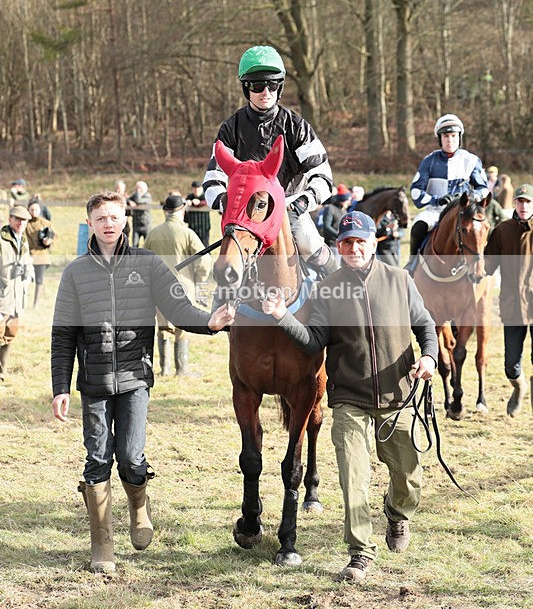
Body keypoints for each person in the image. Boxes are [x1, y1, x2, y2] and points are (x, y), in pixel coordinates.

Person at [51, 191, 234, 573]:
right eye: (101, 217)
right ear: (90, 222)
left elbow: (178, 308)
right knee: (97, 458)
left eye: (114, 217)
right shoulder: (75, 273)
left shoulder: (148, 264)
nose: (108, 223)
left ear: (125, 220)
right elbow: (63, 335)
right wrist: (60, 387)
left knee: (131, 458)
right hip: (95, 382)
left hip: (135, 379)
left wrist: (209, 322)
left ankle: (138, 507)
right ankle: (102, 544)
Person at [261, 211, 438, 583]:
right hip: (349, 399)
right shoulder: (328, 289)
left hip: (398, 395)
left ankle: (397, 513)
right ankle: (360, 553)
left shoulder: (399, 280)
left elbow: (424, 325)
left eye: (360, 241)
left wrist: (428, 357)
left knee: (409, 479)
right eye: (346, 243)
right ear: (338, 247)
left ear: (373, 243)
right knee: (353, 478)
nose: (354, 248)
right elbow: (314, 341)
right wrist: (282, 316)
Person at [202, 45, 337, 276]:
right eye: (257, 85)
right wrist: (228, 203)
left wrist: (303, 202)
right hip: (247, 214)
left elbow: (323, 176)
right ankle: (221, 298)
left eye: (272, 85)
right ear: (246, 88)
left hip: (288, 207)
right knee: (227, 262)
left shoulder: (297, 126)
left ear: (280, 87)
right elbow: (213, 179)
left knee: (309, 243)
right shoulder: (231, 128)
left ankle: (341, 284)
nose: (266, 91)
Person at [145, 194, 211, 376]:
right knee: (182, 328)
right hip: (183, 287)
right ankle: (182, 369)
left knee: (163, 328)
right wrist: (200, 279)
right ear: (182, 210)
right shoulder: (188, 233)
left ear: (166, 211)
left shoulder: (153, 233)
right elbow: (204, 260)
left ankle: (164, 368)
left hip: (158, 288)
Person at [409, 114, 489, 261]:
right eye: (446, 136)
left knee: (481, 229)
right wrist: (436, 200)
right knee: (418, 227)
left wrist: (470, 197)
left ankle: (484, 264)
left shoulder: (472, 160)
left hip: (463, 213)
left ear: (460, 137)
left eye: (453, 135)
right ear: (440, 139)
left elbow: (484, 189)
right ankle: (412, 263)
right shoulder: (429, 161)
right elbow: (415, 192)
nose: (450, 140)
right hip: (435, 212)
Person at [484, 183, 533, 417]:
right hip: (512, 306)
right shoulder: (502, 231)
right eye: (520, 201)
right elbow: (488, 265)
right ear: (514, 203)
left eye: (528, 201)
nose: (524, 206)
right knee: (511, 366)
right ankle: (519, 387)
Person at [0, 206, 35, 383]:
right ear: (10, 219)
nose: (21, 223)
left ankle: (2, 372)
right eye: (17, 219)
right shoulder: (2, 240)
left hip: (17, 298)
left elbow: (28, 263)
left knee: (10, 334)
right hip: (2, 296)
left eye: (24, 220)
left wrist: (28, 275)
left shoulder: (24, 240)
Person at [25, 200, 54, 307]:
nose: (34, 212)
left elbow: (53, 237)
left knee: (39, 280)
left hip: (42, 256)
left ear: (40, 210)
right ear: (28, 210)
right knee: (24, 279)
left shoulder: (46, 223)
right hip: (27, 255)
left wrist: (49, 242)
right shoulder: (24, 223)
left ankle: (35, 305)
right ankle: (23, 302)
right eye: (31, 210)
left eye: (36, 210)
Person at [321, 192, 352, 259]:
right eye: (347, 201)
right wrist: (339, 235)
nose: (349, 203)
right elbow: (326, 226)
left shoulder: (344, 212)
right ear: (342, 200)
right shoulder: (330, 208)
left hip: (341, 244)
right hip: (332, 244)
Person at [184, 181, 211, 248]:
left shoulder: (206, 196)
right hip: (192, 227)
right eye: (194, 188)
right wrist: (187, 203)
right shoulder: (190, 197)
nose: (196, 190)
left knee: (204, 247)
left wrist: (199, 203)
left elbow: (209, 202)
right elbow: (183, 205)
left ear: (201, 188)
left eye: (198, 188)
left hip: (204, 227)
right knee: (192, 246)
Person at [128, 180, 152, 246]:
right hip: (136, 225)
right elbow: (127, 199)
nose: (137, 190)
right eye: (136, 188)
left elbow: (138, 201)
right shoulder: (135, 195)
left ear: (144, 189)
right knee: (135, 245)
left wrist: (138, 193)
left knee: (148, 245)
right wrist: (130, 201)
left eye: (139, 188)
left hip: (145, 225)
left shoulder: (148, 197)